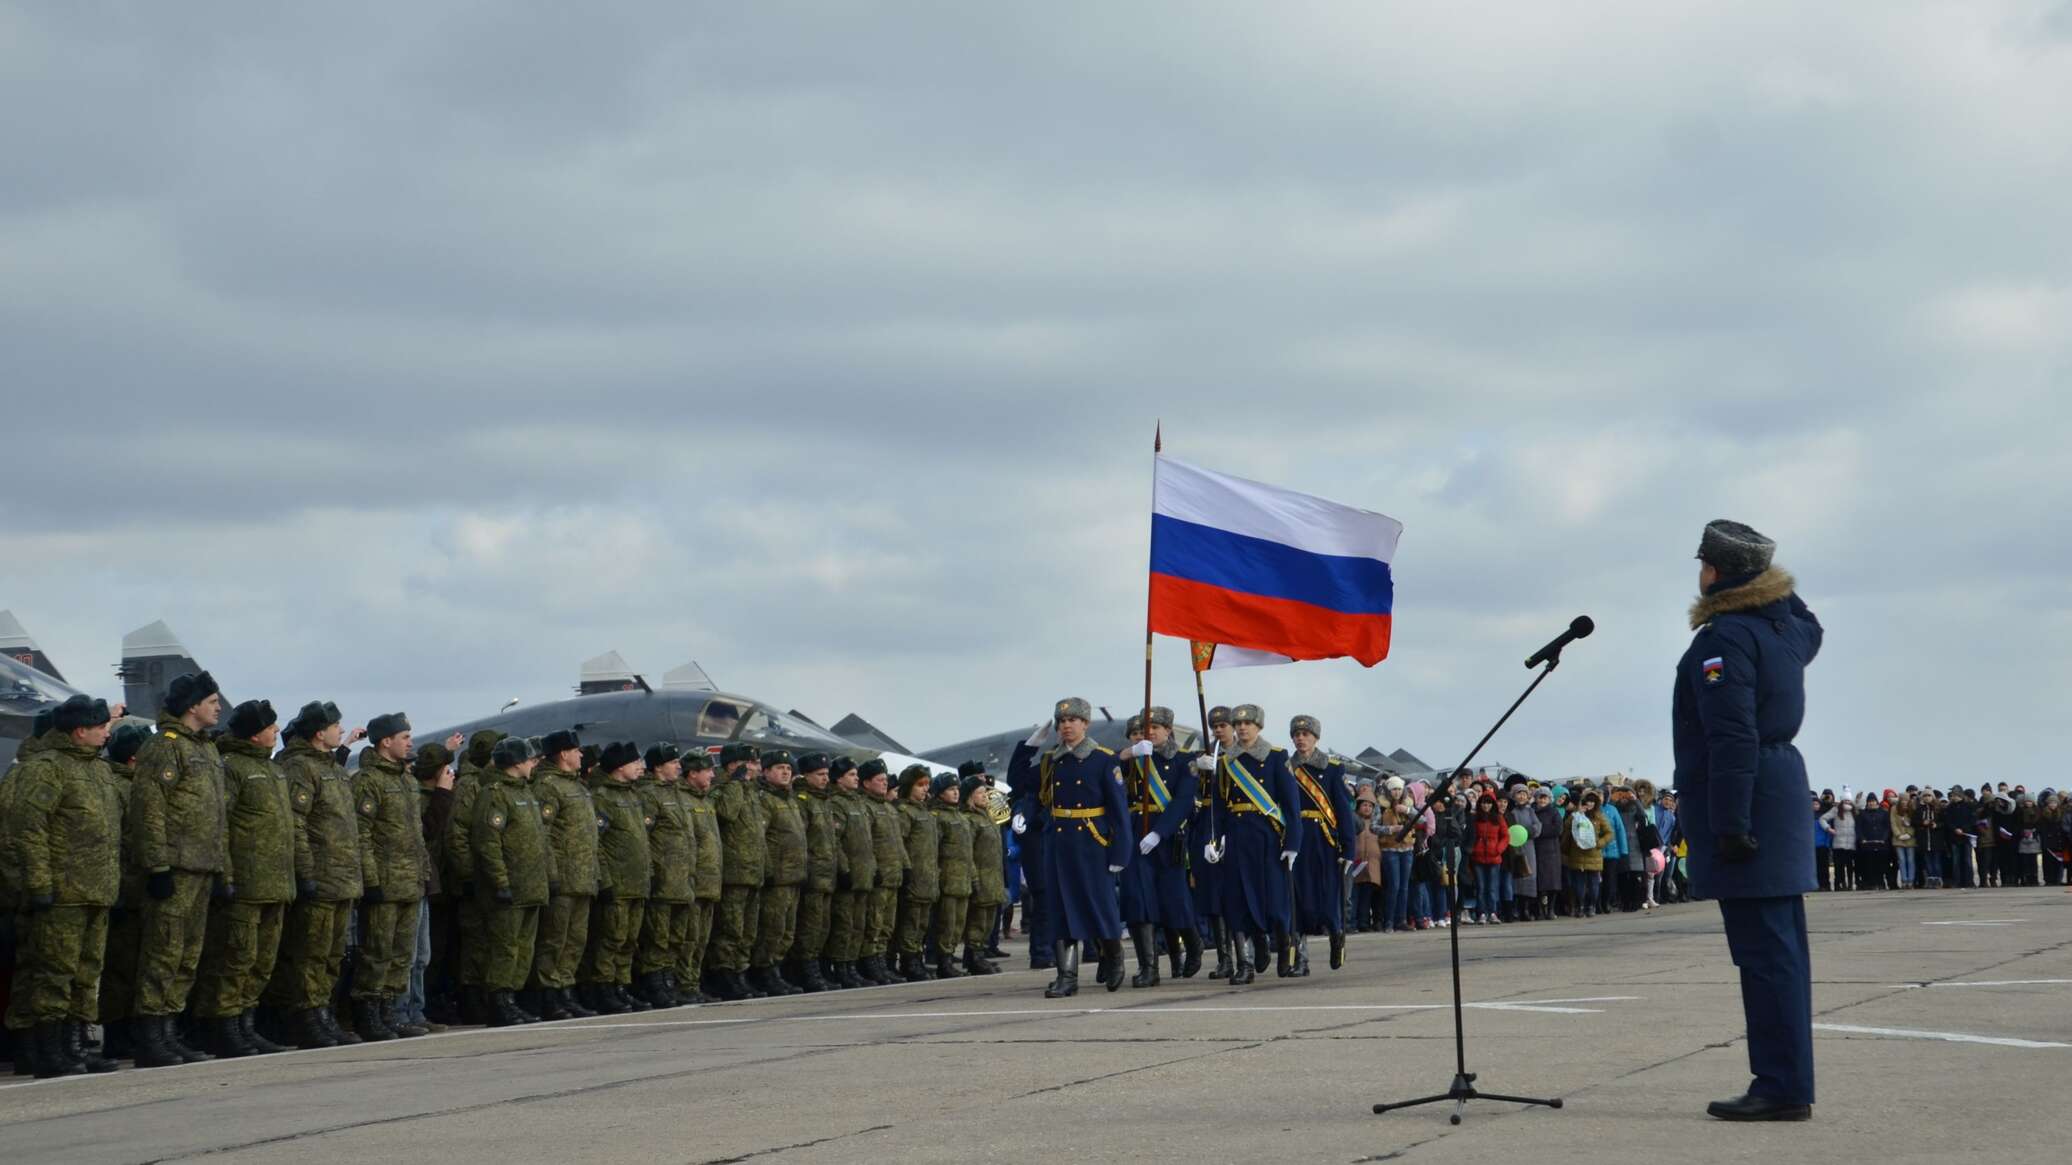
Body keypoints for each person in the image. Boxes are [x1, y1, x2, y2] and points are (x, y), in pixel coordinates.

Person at [1673, 519, 1821, 1121]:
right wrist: (1768, 581)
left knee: (1764, 958)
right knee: (1782, 954)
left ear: (1716, 571)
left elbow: (1730, 732)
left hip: (1749, 800)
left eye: (1704, 562)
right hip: (1779, 788)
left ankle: (1780, 1086)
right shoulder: (1784, 631)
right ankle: (1786, 1079)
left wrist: (1729, 822)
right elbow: (1810, 623)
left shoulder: (1725, 638)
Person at [9, 695, 123, 1077]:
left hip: (96, 890)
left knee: (87, 973)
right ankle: (50, 1050)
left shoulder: (99, 770)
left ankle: (77, 1046)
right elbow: (30, 828)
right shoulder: (48, 768)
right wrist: (40, 883)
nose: (106, 731)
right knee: (54, 972)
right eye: (100, 726)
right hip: (63, 893)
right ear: (80, 731)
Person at [127, 670, 228, 1067]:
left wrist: (222, 868)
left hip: (201, 866)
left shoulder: (204, 748)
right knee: (163, 952)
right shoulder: (164, 747)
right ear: (192, 707)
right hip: (175, 867)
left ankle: (170, 1031)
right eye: (212, 701)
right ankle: (151, 1036)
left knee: (187, 954)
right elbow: (149, 810)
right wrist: (157, 867)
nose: (218, 707)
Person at [192, 700, 300, 1058]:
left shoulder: (273, 770)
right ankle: (223, 1026)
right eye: (271, 727)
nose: (277, 732)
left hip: (276, 883)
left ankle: (245, 1025)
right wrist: (226, 873)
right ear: (255, 734)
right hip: (246, 883)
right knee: (235, 958)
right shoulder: (232, 768)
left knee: (261, 961)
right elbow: (219, 825)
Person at [264, 701, 365, 1051]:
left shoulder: (333, 769)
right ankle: (305, 1017)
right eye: (336, 726)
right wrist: (306, 872)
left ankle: (323, 1013)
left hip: (341, 878)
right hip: (320, 877)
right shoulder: (301, 768)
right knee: (310, 953)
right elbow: (297, 823)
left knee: (332, 954)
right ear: (319, 733)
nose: (341, 730)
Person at [1018, 698, 1131, 997]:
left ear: (1085, 724)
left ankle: (1113, 955)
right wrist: (1029, 746)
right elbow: (1019, 782)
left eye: (1073, 720)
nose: (1066, 726)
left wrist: (1120, 853)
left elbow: (1119, 812)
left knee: (1099, 906)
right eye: (1061, 722)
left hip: (1092, 842)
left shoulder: (1104, 760)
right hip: (1059, 843)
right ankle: (1067, 976)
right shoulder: (1050, 761)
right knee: (1061, 909)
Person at [351, 713, 431, 1041]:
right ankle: (368, 1015)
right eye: (404, 737)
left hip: (410, 882)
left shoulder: (408, 781)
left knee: (401, 956)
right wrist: (371, 881)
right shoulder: (367, 781)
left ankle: (390, 1013)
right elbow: (362, 834)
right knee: (377, 953)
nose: (410, 742)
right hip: (384, 883)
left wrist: (423, 873)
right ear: (386, 741)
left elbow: (417, 834)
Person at [1206, 704, 1297, 987]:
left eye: (1248, 724)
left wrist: (1293, 842)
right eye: (1239, 724)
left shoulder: (1276, 757)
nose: (1242, 728)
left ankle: (1283, 947)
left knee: (1275, 903)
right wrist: (1213, 838)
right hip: (1236, 838)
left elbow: (1291, 805)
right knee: (1237, 901)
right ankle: (1244, 964)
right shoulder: (1226, 761)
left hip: (1268, 837)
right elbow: (1219, 806)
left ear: (1259, 727)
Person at [472, 736, 553, 1027]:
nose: (534, 763)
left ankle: (512, 999)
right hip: (510, 887)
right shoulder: (496, 794)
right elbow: (488, 843)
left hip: (531, 885)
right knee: (506, 948)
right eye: (530, 759)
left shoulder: (527, 793)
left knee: (523, 947)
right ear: (516, 763)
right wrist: (500, 882)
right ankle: (499, 1001)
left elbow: (541, 841)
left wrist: (549, 877)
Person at [1119, 705, 1200, 987]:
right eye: (1146, 728)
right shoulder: (1134, 758)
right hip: (1135, 835)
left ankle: (1193, 942)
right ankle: (1148, 968)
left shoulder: (1184, 761)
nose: (1150, 732)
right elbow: (1107, 774)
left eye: (1156, 727)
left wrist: (1159, 834)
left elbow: (1183, 801)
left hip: (1166, 838)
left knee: (1174, 900)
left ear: (1168, 730)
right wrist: (1128, 755)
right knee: (1137, 901)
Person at [531, 730, 598, 1019]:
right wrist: (552, 874)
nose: (581, 755)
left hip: (583, 876)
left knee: (575, 940)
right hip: (562, 877)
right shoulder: (548, 786)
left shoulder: (578, 786)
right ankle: (549, 995)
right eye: (576, 750)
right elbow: (542, 834)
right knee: (554, 940)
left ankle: (566, 991)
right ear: (563, 754)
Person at [583, 742, 653, 1013]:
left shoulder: (632, 795)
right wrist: (605, 880)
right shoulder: (602, 797)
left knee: (628, 941)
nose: (641, 767)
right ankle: (603, 988)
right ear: (620, 767)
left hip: (637, 882)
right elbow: (597, 842)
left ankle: (621, 987)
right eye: (635, 763)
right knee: (611, 939)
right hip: (618, 884)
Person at [1286, 715, 1354, 972]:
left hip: (1324, 841)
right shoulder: (1286, 767)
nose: (1301, 738)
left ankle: (1336, 936)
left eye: (1306, 734)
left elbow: (1343, 811)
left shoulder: (1332, 768)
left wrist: (1348, 848)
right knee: (1297, 898)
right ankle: (1300, 958)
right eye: (1297, 734)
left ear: (1316, 738)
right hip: (1297, 839)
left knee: (1328, 897)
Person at [635, 743, 696, 1007]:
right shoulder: (649, 795)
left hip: (682, 878)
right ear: (658, 766)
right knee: (657, 937)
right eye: (672, 762)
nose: (678, 766)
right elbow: (643, 836)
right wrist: (651, 872)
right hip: (663, 878)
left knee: (676, 936)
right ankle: (655, 983)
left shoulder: (678, 793)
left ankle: (669, 980)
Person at [707, 743, 768, 1001]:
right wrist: (735, 783)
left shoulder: (750, 791)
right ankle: (725, 975)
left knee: (747, 931)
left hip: (753, 872)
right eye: (750, 763)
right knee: (730, 929)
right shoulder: (722, 789)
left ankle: (740, 973)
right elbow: (726, 814)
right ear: (734, 765)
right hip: (734, 873)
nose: (755, 768)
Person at [408, 738, 460, 1032]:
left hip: (435, 882)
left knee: (426, 955)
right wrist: (442, 793)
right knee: (420, 955)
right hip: (421, 881)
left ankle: (419, 1009)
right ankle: (413, 1009)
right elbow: (429, 831)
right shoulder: (422, 796)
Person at [824, 757, 875, 988]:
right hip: (849, 876)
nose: (856, 778)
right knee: (844, 925)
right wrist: (844, 870)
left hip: (863, 874)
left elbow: (869, 842)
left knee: (858, 925)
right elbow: (836, 841)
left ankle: (852, 965)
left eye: (856, 774)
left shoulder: (858, 803)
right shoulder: (837, 804)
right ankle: (842, 966)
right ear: (839, 778)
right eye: (851, 775)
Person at [1194, 706, 1235, 976]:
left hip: (1234, 826)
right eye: (1215, 726)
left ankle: (1247, 951)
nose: (1218, 729)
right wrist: (1196, 769)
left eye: (1223, 725)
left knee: (1234, 895)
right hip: (1207, 827)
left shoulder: (1239, 755)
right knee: (1212, 897)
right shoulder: (1207, 756)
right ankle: (1224, 958)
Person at [891, 765, 941, 983]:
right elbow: (898, 843)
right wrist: (906, 869)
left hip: (927, 877)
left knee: (922, 923)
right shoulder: (904, 812)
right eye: (920, 785)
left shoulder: (925, 812)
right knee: (910, 922)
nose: (924, 789)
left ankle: (916, 958)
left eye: (927, 785)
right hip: (914, 876)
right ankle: (909, 961)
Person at [680, 752, 723, 1002]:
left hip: (710, 880)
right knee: (689, 937)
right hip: (693, 881)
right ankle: (685, 984)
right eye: (707, 770)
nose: (712, 775)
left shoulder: (705, 801)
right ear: (693, 773)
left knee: (702, 938)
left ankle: (693, 982)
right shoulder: (683, 800)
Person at [859, 760, 906, 986]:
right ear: (866, 783)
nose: (884, 783)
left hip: (893, 875)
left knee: (887, 924)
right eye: (880, 779)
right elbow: (865, 844)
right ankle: (871, 963)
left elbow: (898, 843)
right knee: (874, 924)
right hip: (878, 876)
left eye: (886, 779)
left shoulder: (888, 808)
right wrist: (874, 869)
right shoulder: (865, 807)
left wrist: (905, 866)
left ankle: (883, 961)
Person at [960, 765, 1006, 974]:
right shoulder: (969, 819)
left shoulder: (987, 816)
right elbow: (967, 852)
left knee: (987, 921)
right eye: (980, 793)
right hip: (980, 876)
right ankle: (974, 957)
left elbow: (1004, 814)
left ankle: (978, 955)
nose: (986, 796)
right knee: (977, 921)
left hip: (993, 876)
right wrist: (974, 878)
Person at [1560, 789, 1611, 918]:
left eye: (1593, 802)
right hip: (1577, 854)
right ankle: (1581, 906)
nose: (1590, 804)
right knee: (1579, 883)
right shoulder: (1576, 815)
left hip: (1594, 854)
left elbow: (1609, 833)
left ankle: (1591, 906)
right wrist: (1576, 815)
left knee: (1594, 883)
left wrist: (1600, 843)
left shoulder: (1599, 816)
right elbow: (1566, 827)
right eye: (1588, 801)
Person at [1351, 792, 1383, 931]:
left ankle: (1364, 923)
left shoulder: (1375, 823)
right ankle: (1351, 922)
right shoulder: (1353, 820)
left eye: (1370, 806)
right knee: (1353, 895)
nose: (1367, 808)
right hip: (1355, 863)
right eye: (1364, 805)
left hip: (1372, 864)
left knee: (1366, 896)